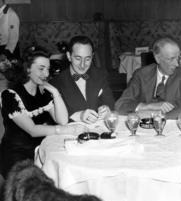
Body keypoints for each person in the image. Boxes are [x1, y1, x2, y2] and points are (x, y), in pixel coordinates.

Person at [0, 46, 88, 177]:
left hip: (41, 149)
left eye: (47, 69)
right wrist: (64, 130)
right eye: (41, 69)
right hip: (16, 154)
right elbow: (33, 130)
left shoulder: (44, 92)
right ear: (28, 69)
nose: (46, 74)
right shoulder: (10, 95)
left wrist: (55, 92)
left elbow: (62, 120)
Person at [115, 37, 181, 119]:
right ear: (157, 58)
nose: (176, 64)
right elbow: (120, 105)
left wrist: (158, 116)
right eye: (171, 59)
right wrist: (146, 106)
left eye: (178, 58)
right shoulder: (141, 74)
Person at [50, 35, 114, 124]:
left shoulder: (100, 75)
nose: (82, 65)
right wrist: (79, 116)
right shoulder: (55, 83)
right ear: (69, 56)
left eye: (87, 59)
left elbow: (110, 103)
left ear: (92, 56)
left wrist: (106, 109)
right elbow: (56, 119)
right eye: (78, 58)